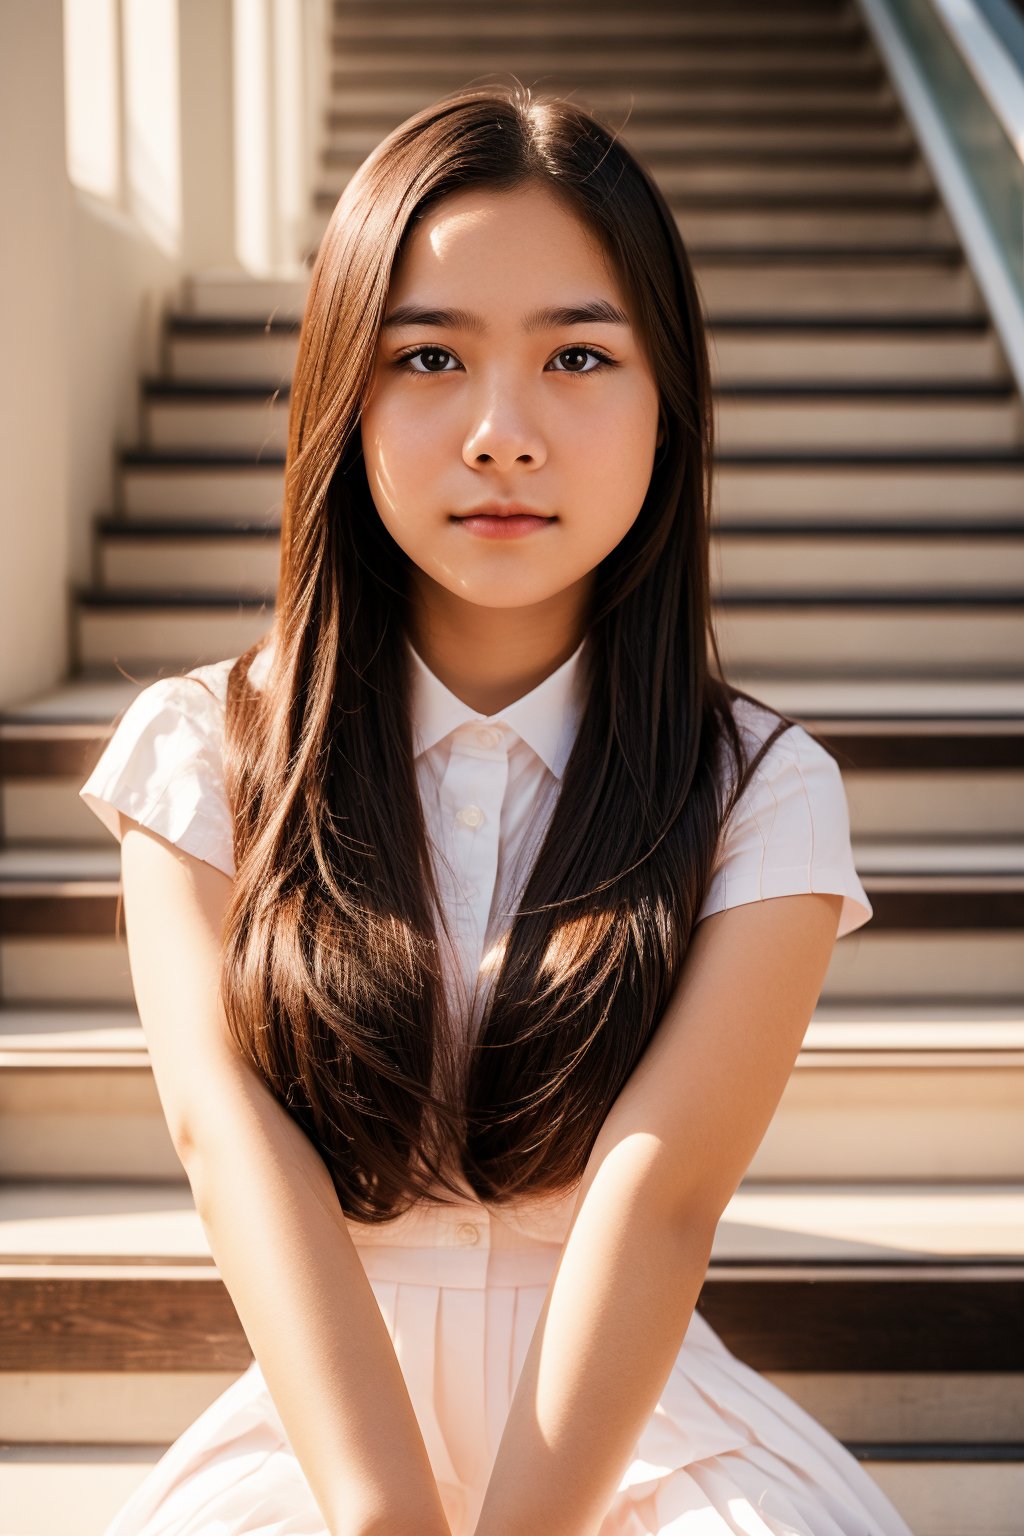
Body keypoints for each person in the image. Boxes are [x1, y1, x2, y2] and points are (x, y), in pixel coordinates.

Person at [80, 81, 914, 1536]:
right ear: (344, 395)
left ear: (670, 407)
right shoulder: (201, 751)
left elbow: (659, 1205)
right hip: (327, 1433)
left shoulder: (761, 790)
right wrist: (385, 1516)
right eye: (429, 358)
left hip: (640, 1430)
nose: (501, 432)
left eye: (580, 354)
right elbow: (232, 1148)